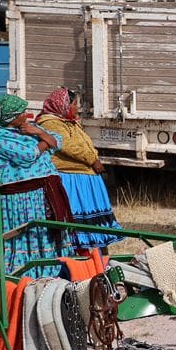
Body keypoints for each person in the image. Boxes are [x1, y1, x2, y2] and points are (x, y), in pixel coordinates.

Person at [0, 94, 62, 277]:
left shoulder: (29, 128)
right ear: (10, 117)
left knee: (42, 234)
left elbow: (57, 141)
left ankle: (46, 271)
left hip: (37, 195)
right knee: (23, 234)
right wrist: (44, 142)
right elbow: (28, 154)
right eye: (22, 113)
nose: (26, 115)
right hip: (18, 199)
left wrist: (38, 133)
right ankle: (22, 273)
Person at [35, 87, 121, 249]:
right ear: (63, 105)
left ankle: (94, 253)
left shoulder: (66, 121)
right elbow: (69, 146)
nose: (76, 108)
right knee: (75, 218)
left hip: (84, 177)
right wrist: (93, 160)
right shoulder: (50, 124)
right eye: (74, 104)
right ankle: (78, 253)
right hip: (71, 178)